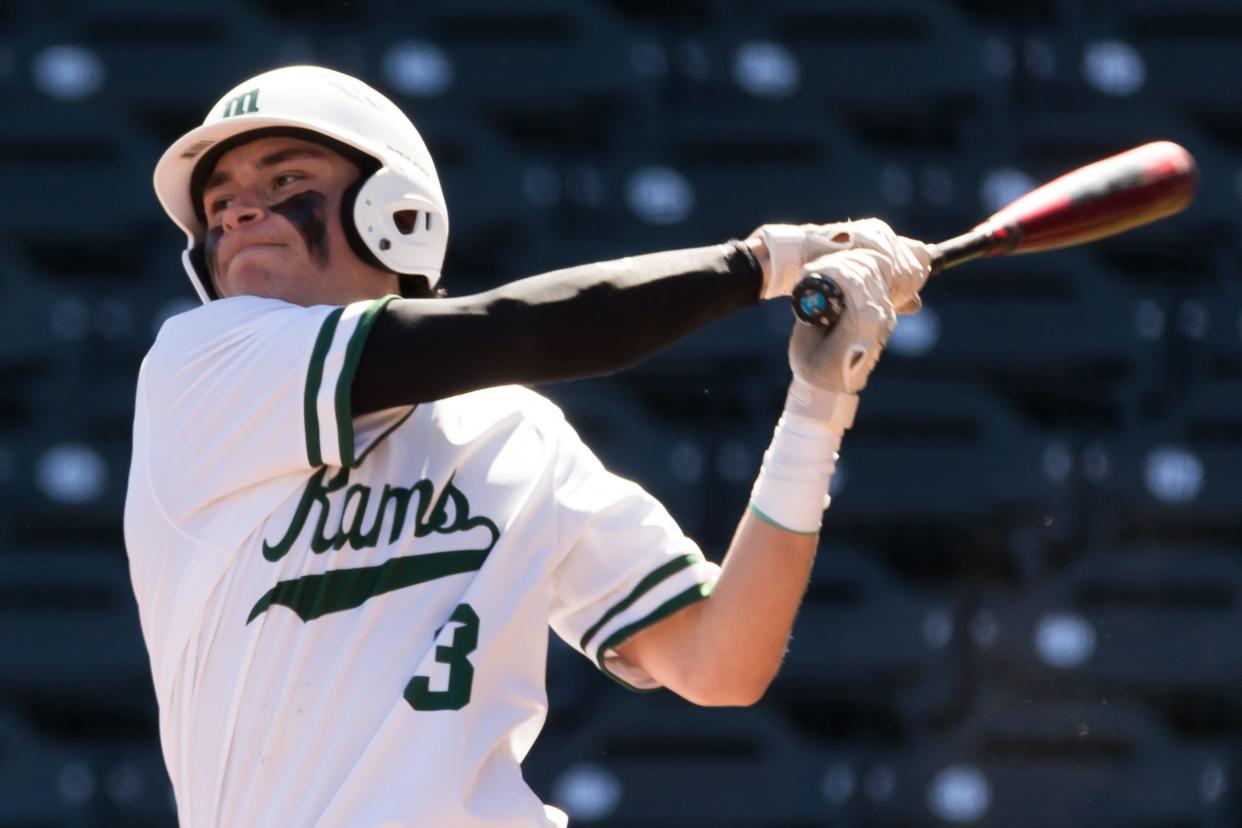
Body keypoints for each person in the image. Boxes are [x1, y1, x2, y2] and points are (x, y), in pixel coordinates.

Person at [124, 65, 931, 827]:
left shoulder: (513, 433)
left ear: (393, 212)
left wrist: (818, 410)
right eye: (219, 200)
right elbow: (528, 330)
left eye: (285, 181)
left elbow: (719, 660)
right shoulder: (197, 370)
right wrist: (762, 263)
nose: (235, 211)